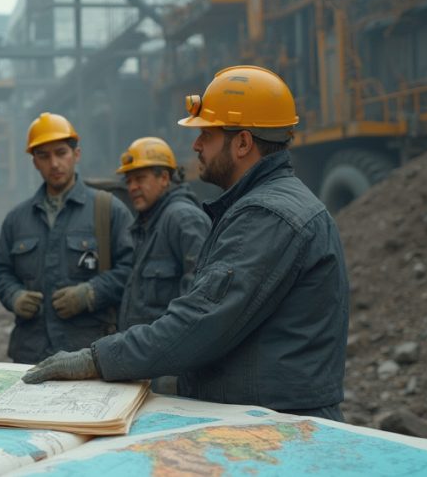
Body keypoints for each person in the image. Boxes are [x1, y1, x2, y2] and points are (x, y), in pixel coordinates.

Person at [22, 66, 350, 422]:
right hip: (266, 419)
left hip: (276, 429)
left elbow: (199, 323)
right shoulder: (265, 206)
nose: (195, 146)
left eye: (206, 135)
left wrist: (95, 360)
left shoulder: (267, 215)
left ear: (242, 142)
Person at [0, 112, 134, 364]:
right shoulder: (17, 219)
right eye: (43, 156)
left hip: (89, 355)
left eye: (61, 153)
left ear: (76, 154)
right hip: (30, 354)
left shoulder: (107, 210)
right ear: (34, 161)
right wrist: (15, 296)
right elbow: (1, 271)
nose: (54, 164)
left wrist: (90, 293)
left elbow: (132, 269)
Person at [115, 137, 211, 394]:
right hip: (148, 365)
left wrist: (175, 374)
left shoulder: (182, 218)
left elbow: (199, 302)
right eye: (129, 180)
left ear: (165, 178)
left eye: (140, 178)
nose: (132, 187)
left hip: (169, 371)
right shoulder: (149, 225)